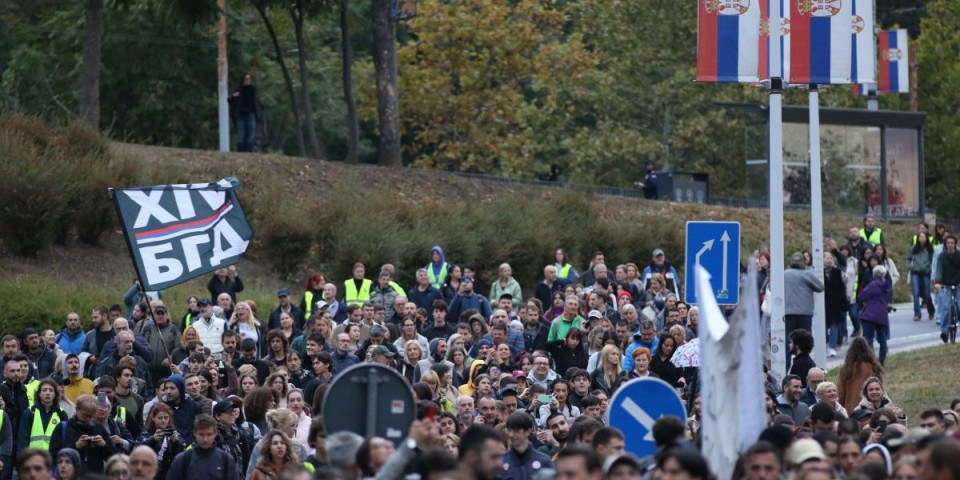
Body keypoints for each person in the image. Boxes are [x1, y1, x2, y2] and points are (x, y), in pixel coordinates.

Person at [49, 395, 117, 474]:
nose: (88, 419)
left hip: (94, 476)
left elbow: (113, 458)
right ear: (77, 409)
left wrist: (104, 445)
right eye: (85, 415)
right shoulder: (63, 428)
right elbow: (52, 455)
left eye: (91, 416)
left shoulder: (99, 428)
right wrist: (75, 446)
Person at [783, 252, 825, 371]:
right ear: (803, 262)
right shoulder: (807, 274)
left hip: (788, 312)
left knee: (788, 341)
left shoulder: (784, 274)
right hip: (804, 313)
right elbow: (820, 287)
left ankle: (785, 367)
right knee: (804, 342)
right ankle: (804, 367)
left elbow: (772, 286)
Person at [166, 415, 238, 480]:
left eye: (209, 434)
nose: (205, 439)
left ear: (215, 433)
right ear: (195, 433)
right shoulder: (183, 460)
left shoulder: (226, 460)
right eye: (201, 434)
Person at [858, 265, 892, 365]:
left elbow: (861, 296)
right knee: (882, 340)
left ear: (874, 273)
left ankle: (871, 361)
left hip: (870, 315)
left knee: (868, 340)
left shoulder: (873, 285)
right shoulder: (886, 286)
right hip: (882, 315)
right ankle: (881, 361)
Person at [934, 235, 960, 343]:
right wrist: (938, 282)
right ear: (945, 244)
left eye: (952, 243)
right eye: (948, 243)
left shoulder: (959, 256)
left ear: (955, 244)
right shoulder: (941, 257)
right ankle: (944, 332)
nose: (950, 245)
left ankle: (957, 318)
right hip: (946, 284)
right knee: (946, 308)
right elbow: (939, 269)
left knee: (959, 304)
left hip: (958, 283)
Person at [907, 232, 936, 322]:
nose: (922, 238)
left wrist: (930, 269)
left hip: (926, 273)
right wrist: (910, 266)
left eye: (924, 237)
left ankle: (931, 310)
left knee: (926, 294)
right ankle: (917, 314)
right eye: (920, 237)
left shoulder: (929, 249)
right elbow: (908, 259)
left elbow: (933, 261)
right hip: (915, 272)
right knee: (916, 293)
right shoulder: (913, 248)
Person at [823, 252, 847, 357]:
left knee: (834, 326)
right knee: (823, 327)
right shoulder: (819, 273)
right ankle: (825, 343)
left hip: (835, 304)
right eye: (827, 258)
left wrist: (842, 301)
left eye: (830, 258)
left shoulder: (837, 272)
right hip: (823, 304)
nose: (829, 260)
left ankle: (832, 347)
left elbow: (842, 288)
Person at [230, 74, 259, 152]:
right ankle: (241, 150)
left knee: (251, 131)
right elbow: (231, 101)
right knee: (241, 134)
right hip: (240, 114)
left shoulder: (252, 89)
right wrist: (234, 97)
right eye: (246, 79)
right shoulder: (238, 90)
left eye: (249, 79)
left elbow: (255, 102)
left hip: (251, 113)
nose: (247, 80)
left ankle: (250, 150)